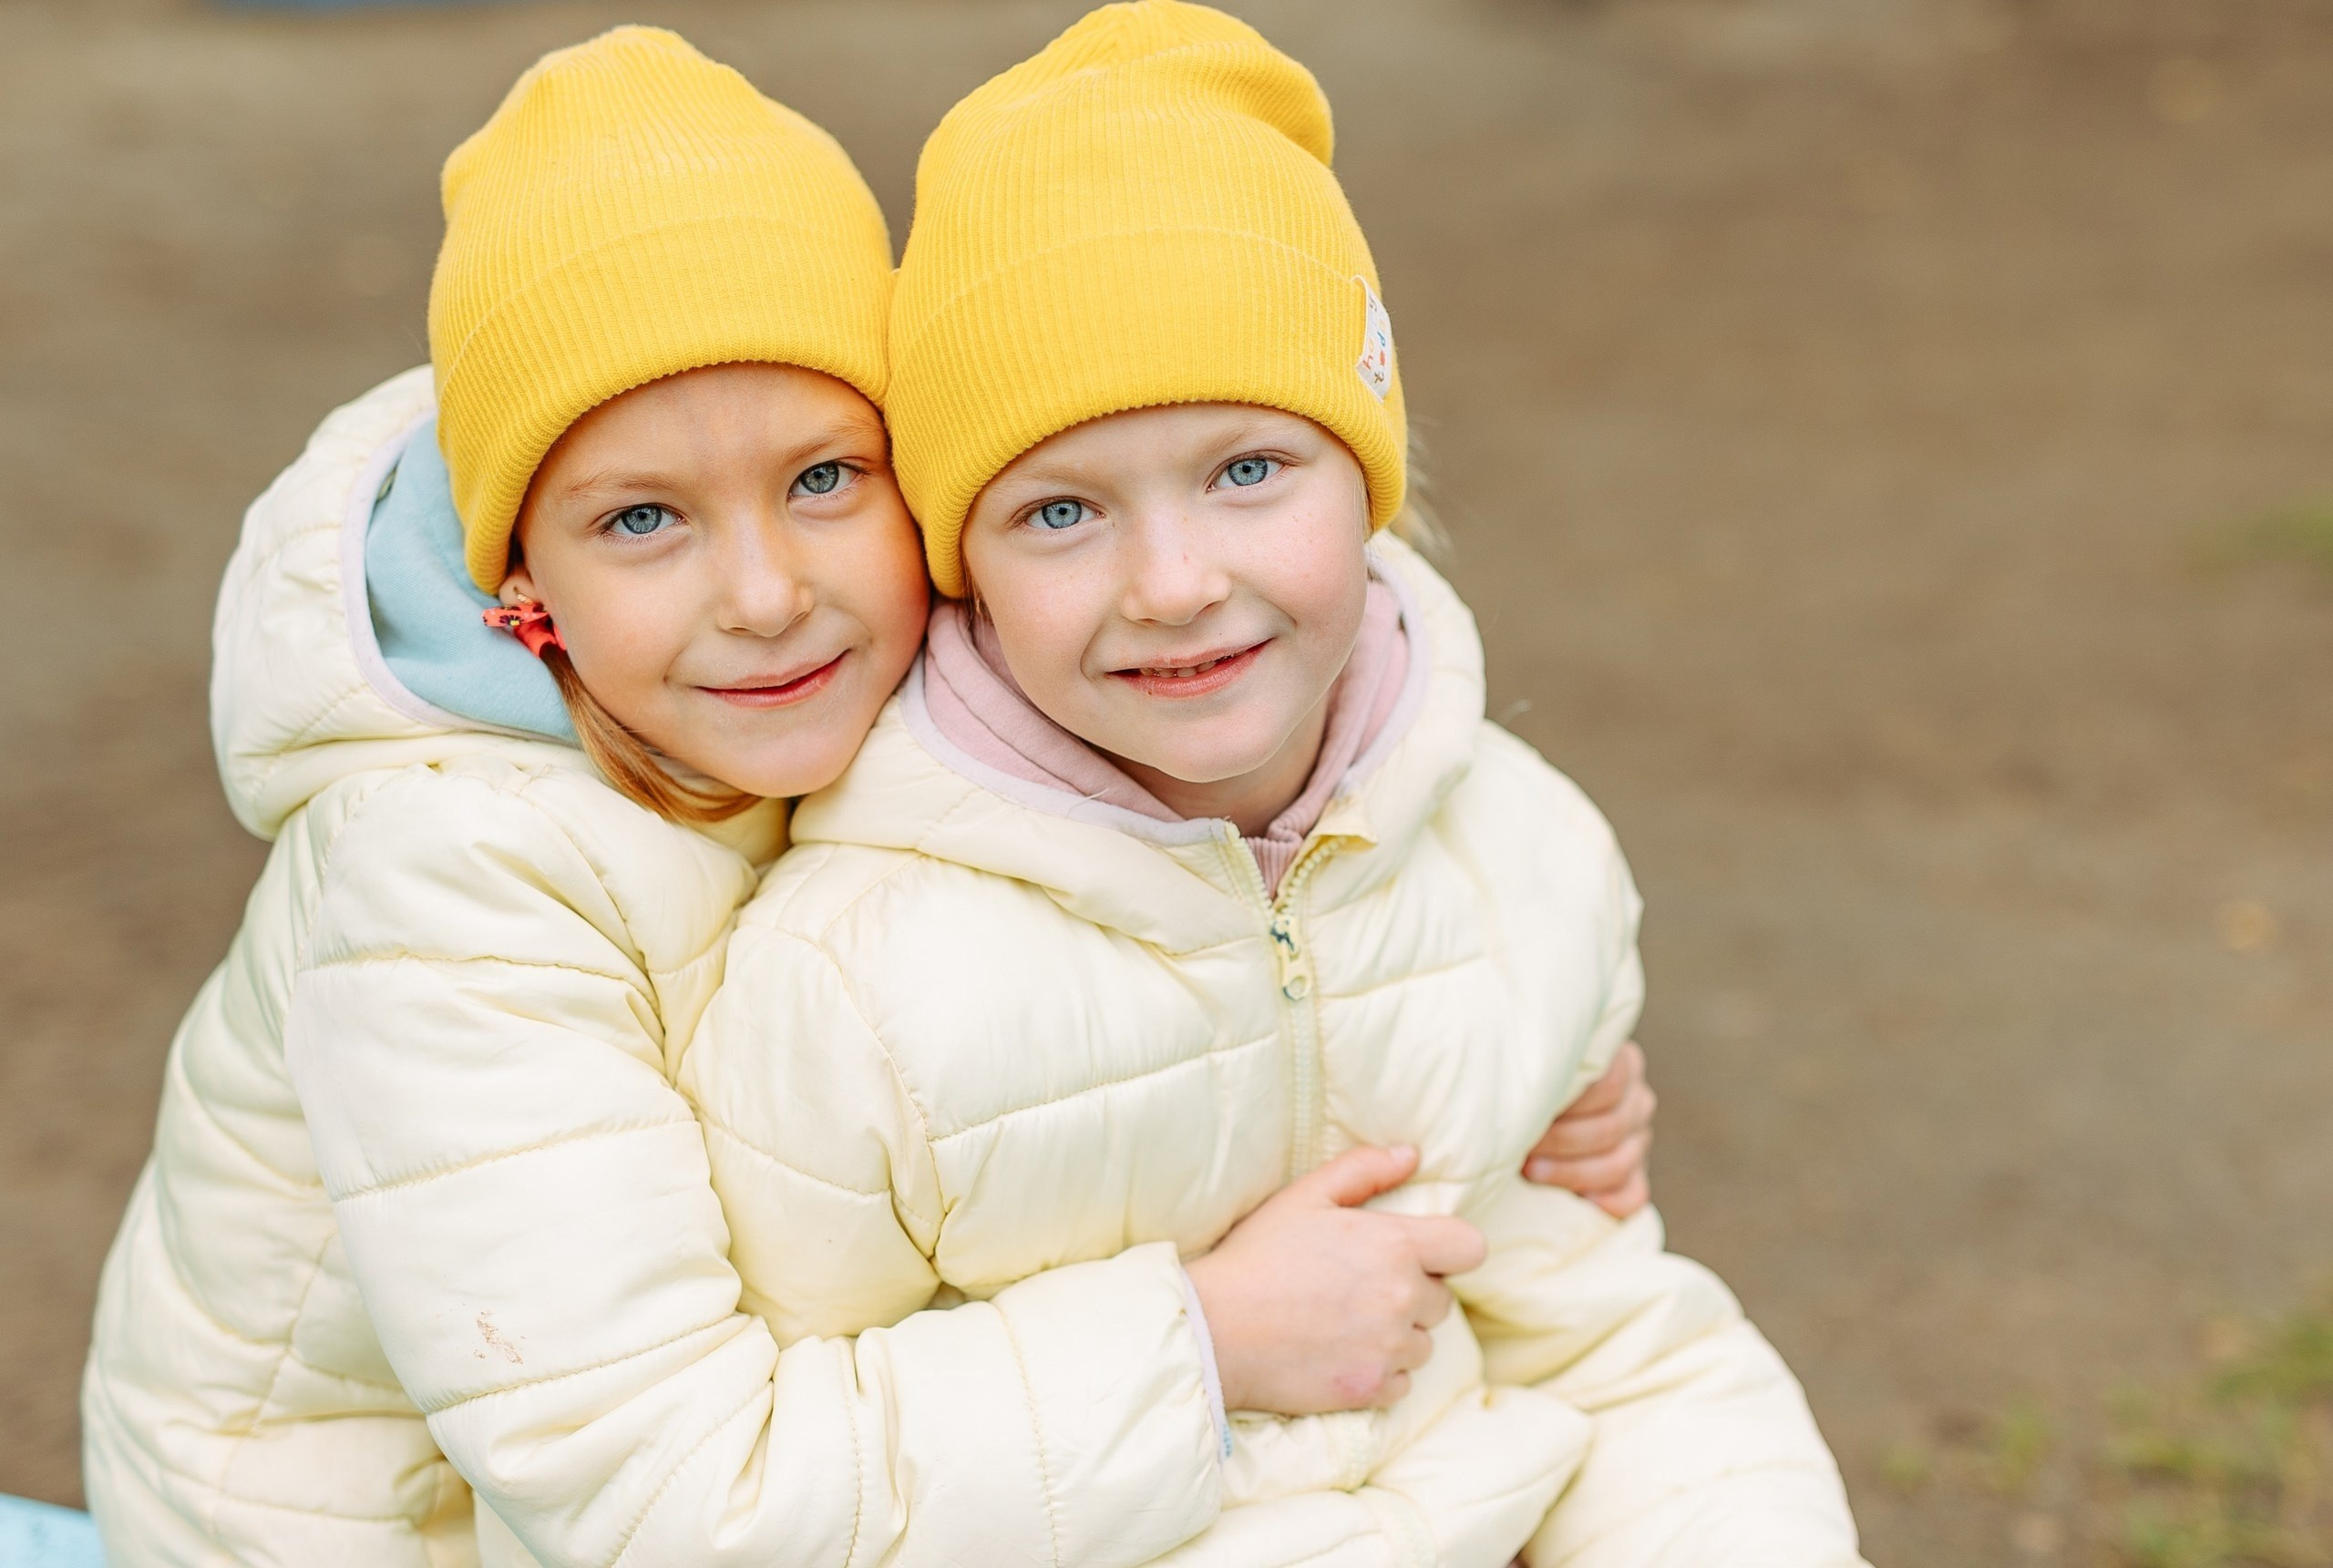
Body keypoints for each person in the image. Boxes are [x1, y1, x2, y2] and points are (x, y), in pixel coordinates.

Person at [78, 26, 1649, 1566]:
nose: (766, 594)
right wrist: (1207, 1337)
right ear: (515, 583)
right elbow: (656, 1493)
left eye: (826, 477)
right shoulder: (448, 875)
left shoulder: (894, 686)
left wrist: (1511, 1063)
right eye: (641, 517)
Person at [685, 5, 1869, 1564]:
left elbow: (1609, 1341)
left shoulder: (1520, 853)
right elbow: (785, 1483)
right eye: (1059, 511)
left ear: (1369, 472)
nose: (1175, 583)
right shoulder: (851, 982)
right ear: (951, 557)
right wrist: (1186, 1341)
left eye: (1248, 470)